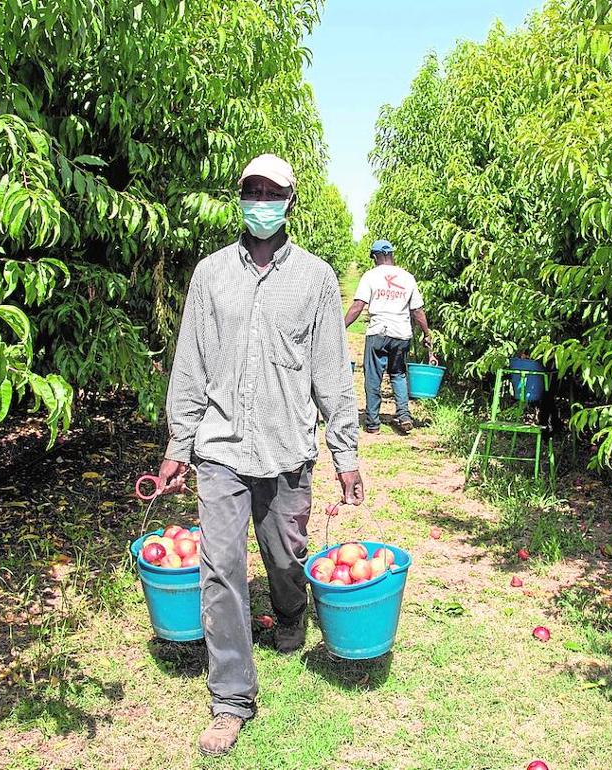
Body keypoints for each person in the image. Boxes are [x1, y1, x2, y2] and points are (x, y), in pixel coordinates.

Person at [157, 153, 365, 757]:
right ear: (240, 198)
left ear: (290, 202)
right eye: (253, 191)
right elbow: (190, 365)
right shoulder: (211, 275)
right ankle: (231, 700)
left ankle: (292, 612)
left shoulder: (318, 279)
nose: (262, 201)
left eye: (273, 192)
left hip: (287, 448)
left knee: (284, 555)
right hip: (219, 448)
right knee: (220, 570)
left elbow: (332, 370)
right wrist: (178, 444)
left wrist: (344, 453)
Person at [344, 239, 437, 434]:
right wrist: (426, 333)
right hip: (401, 334)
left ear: (375, 257)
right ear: (392, 255)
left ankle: (372, 423)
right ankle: (403, 416)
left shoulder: (370, 276)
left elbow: (358, 306)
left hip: (378, 332)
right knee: (398, 374)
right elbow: (417, 310)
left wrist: (340, 327)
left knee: (372, 377)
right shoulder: (407, 277)